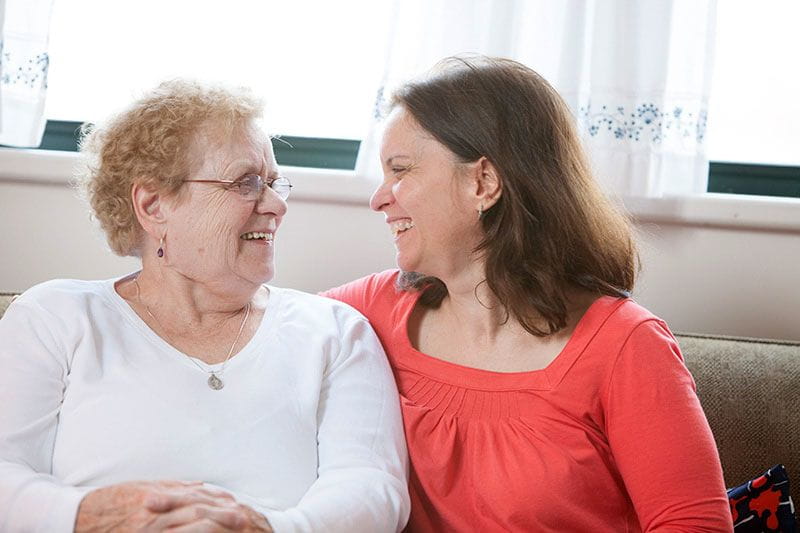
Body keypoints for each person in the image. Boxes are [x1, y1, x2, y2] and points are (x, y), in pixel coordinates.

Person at [323, 56, 732, 531]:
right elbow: (247, 327)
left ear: (483, 182)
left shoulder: (626, 345)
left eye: (400, 170)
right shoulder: (369, 310)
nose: (379, 197)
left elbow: (693, 525)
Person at [0, 80, 409, 532]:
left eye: (274, 183)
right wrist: (89, 515)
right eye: (247, 183)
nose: (276, 205)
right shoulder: (54, 317)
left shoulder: (334, 331)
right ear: (154, 205)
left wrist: (269, 529)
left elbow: (373, 486)